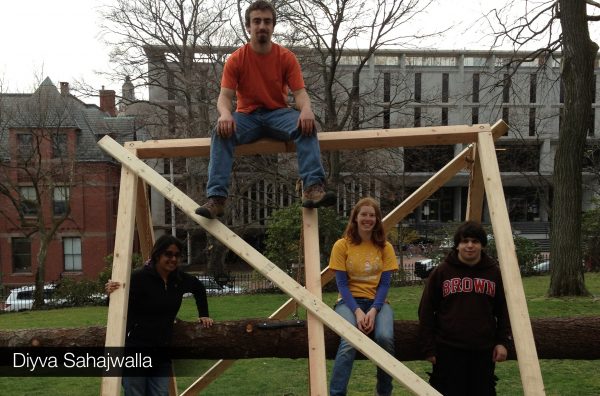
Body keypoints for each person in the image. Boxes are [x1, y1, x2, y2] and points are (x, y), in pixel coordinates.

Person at [195, 0, 335, 219]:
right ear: (248, 26)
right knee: (220, 132)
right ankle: (216, 199)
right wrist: (224, 115)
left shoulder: (286, 57)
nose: (262, 26)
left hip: (278, 113)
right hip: (247, 116)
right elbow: (225, 96)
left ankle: (313, 187)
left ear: (273, 26)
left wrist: (307, 110)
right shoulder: (236, 59)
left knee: (306, 124)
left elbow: (299, 93)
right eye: (257, 21)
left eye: (267, 21)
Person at [105, 234, 214, 396]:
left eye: (177, 255)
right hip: (135, 349)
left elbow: (199, 288)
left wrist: (204, 314)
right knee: (136, 393)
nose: (173, 259)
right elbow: (115, 303)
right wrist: (111, 292)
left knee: (160, 393)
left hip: (161, 351)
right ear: (157, 255)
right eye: (168, 254)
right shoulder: (138, 278)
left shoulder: (180, 279)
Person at [418, 221, 510, 396]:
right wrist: (428, 348)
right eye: (464, 241)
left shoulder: (494, 273)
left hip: (484, 350)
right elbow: (426, 311)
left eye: (475, 241)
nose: (469, 245)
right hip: (448, 350)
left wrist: (502, 342)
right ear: (457, 245)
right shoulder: (442, 272)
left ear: (482, 245)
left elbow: (505, 311)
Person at [328, 197, 399, 396]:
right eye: (364, 214)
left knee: (385, 338)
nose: (368, 219)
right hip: (348, 303)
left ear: (377, 219)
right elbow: (341, 284)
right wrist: (358, 312)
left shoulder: (386, 247)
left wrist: (374, 310)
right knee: (350, 341)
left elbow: (384, 284)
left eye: (372, 215)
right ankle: (337, 393)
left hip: (378, 302)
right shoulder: (342, 246)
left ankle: (384, 392)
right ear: (356, 218)